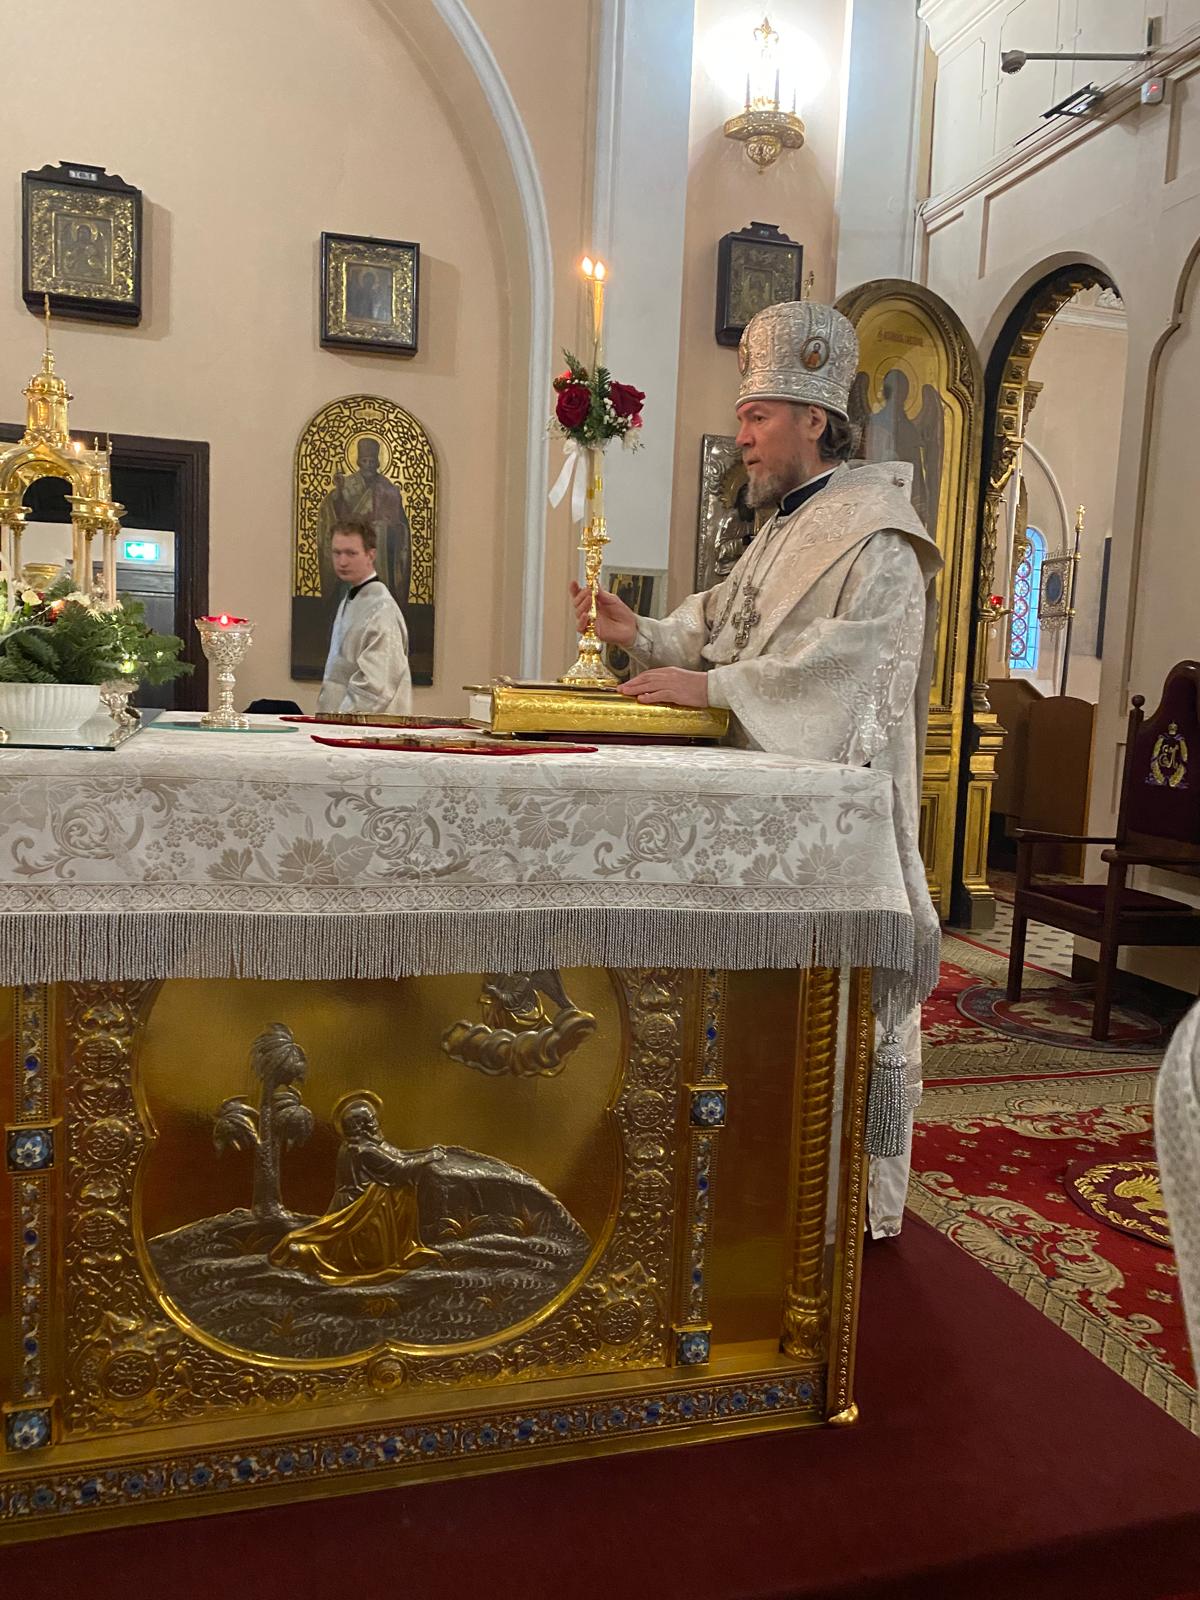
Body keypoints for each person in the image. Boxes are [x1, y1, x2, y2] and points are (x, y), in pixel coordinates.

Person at [570, 299, 943, 1237]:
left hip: (832, 839)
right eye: (742, 417)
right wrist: (641, 631)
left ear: (815, 419)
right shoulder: (779, 529)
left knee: (818, 1037)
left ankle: (831, 1207)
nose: (740, 437)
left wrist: (713, 687)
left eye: (756, 416)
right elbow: (717, 623)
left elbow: (852, 675)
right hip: (755, 825)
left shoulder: (880, 538)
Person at [317, 520, 412, 715]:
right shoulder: (352, 599)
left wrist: (341, 720)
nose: (342, 561)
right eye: (337, 553)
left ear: (371, 555)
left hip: (366, 724)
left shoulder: (381, 608)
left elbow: (377, 684)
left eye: (351, 553)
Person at [317, 435, 412, 602]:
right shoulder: (347, 485)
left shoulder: (387, 487)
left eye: (372, 461)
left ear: (378, 463)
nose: (368, 465)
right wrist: (338, 494)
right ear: (358, 462)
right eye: (365, 461)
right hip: (353, 547)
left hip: (379, 551)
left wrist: (388, 525)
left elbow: (399, 523)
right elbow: (335, 515)